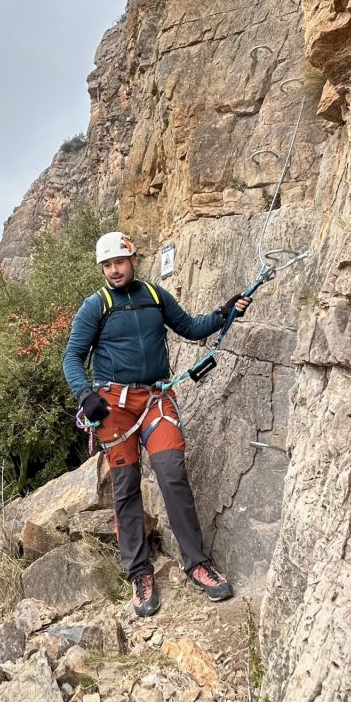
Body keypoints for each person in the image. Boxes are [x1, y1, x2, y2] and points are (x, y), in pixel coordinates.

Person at [63, 231, 251, 617]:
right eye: (107, 265)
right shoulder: (95, 306)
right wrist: (86, 395)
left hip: (154, 399)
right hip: (114, 405)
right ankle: (139, 573)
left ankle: (197, 563)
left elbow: (191, 327)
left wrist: (225, 313)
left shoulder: (154, 296)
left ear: (133, 260)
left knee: (171, 471)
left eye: (119, 262)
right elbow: (72, 358)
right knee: (126, 484)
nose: (114, 270)